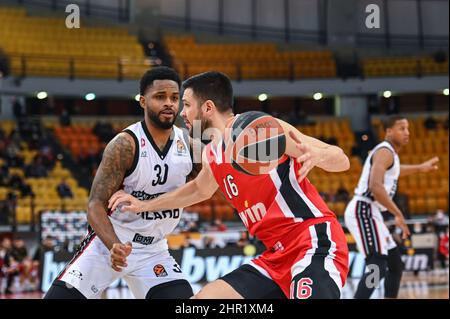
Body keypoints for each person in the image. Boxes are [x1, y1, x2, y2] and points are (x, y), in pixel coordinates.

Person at [109, 71, 350, 299]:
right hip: (275, 257)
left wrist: (319, 156)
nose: (182, 112)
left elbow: (341, 159)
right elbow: (198, 190)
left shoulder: (258, 130)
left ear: (208, 108)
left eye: (187, 104)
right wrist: (143, 205)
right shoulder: (211, 152)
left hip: (312, 240)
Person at [44, 66, 196, 299]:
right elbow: (95, 205)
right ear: (143, 101)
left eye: (174, 98)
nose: (169, 103)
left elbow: (205, 185)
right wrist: (114, 245)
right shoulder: (125, 145)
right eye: (160, 97)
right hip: (109, 245)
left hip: (153, 251)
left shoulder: (189, 143)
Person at [344, 115, 439, 299]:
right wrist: (398, 213)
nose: (407, 133)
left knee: (395, 264)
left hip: (372, 211)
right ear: (388, 131)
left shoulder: (389, 155)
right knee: (377, 265)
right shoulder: (385, 151)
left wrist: (420, 168)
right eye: (402, 128)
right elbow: (375, 187)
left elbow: (395, 170)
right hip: (363, 209)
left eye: (408, 128)